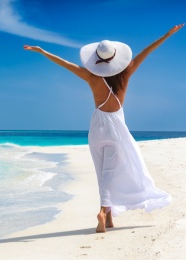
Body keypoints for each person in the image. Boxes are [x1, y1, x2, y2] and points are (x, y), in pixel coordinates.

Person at [23, 23, 184, 233]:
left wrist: (42, 51)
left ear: (97, 59)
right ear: (117, 58)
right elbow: (147, 51)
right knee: (111, 171)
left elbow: (64, 63)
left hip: (97, 127)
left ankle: (107, 217)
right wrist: (167, 34)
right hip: (116, 128)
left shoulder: (91, 77)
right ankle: (103, 212)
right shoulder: (126, 74)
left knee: (102, 173)